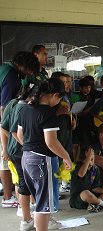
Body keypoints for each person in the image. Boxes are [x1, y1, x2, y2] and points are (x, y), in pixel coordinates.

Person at [17, 78, 73, 231]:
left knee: (38, 199)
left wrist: (32, 147)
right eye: (59, 98)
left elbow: (20, 135)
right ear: (54, 95)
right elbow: (51, 142)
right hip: (42, 160)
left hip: (26, 157)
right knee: (44, 204)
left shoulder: (25, 108)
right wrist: (66, 156)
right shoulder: (48, 112)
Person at [0, 51, 39, 213]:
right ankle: (8, 197)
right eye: (29, 70)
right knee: (6, 159)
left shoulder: (5, 68)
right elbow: (4, 109)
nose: (29, 74)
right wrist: (10, 137)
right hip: (3, 125)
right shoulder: (11, 77)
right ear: (22, 65)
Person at [1, 87, 36, 230]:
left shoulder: (19, 104)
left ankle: (27, 212)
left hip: (21, 149)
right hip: (19, 151)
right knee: (24, 183)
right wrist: (11, 146)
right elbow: (6, 128)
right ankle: (26, 218)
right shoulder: (19, 105)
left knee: (26, 182)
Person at [70, 146, 103, 213]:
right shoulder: (77, 166)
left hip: (92, 196)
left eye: (92, 159)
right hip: (79, 199)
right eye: (89, 159)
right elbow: (81, 174)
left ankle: (95, 203)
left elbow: (94, 188)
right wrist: (88, 158)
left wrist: (102, 190)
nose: (91, 162)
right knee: (86, 193)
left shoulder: (95, 169)